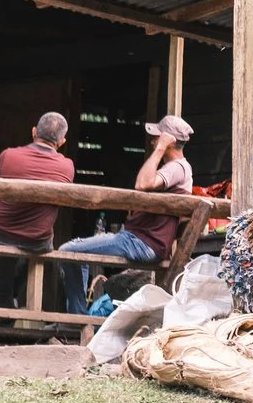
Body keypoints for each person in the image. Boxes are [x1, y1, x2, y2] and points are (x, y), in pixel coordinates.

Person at [55, 115, 196, 311]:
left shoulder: (176, 168)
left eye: (157, 137)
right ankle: (78, 317)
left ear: (168, 140)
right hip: (139, 241)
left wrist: (160, 148)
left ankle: (76, 318)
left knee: (68, 251)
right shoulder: (178, 168)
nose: (153, 140)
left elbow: (143, 184)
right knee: (73, 251)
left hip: (140, 243)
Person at [0, 112, 75, 310]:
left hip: (1, 236)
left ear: (33, 132)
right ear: (62, 141)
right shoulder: (67, 167)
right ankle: (13, 302)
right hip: (37, 241)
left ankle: (1, 303)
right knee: (36, 247)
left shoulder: (8, 156)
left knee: (1, 277)